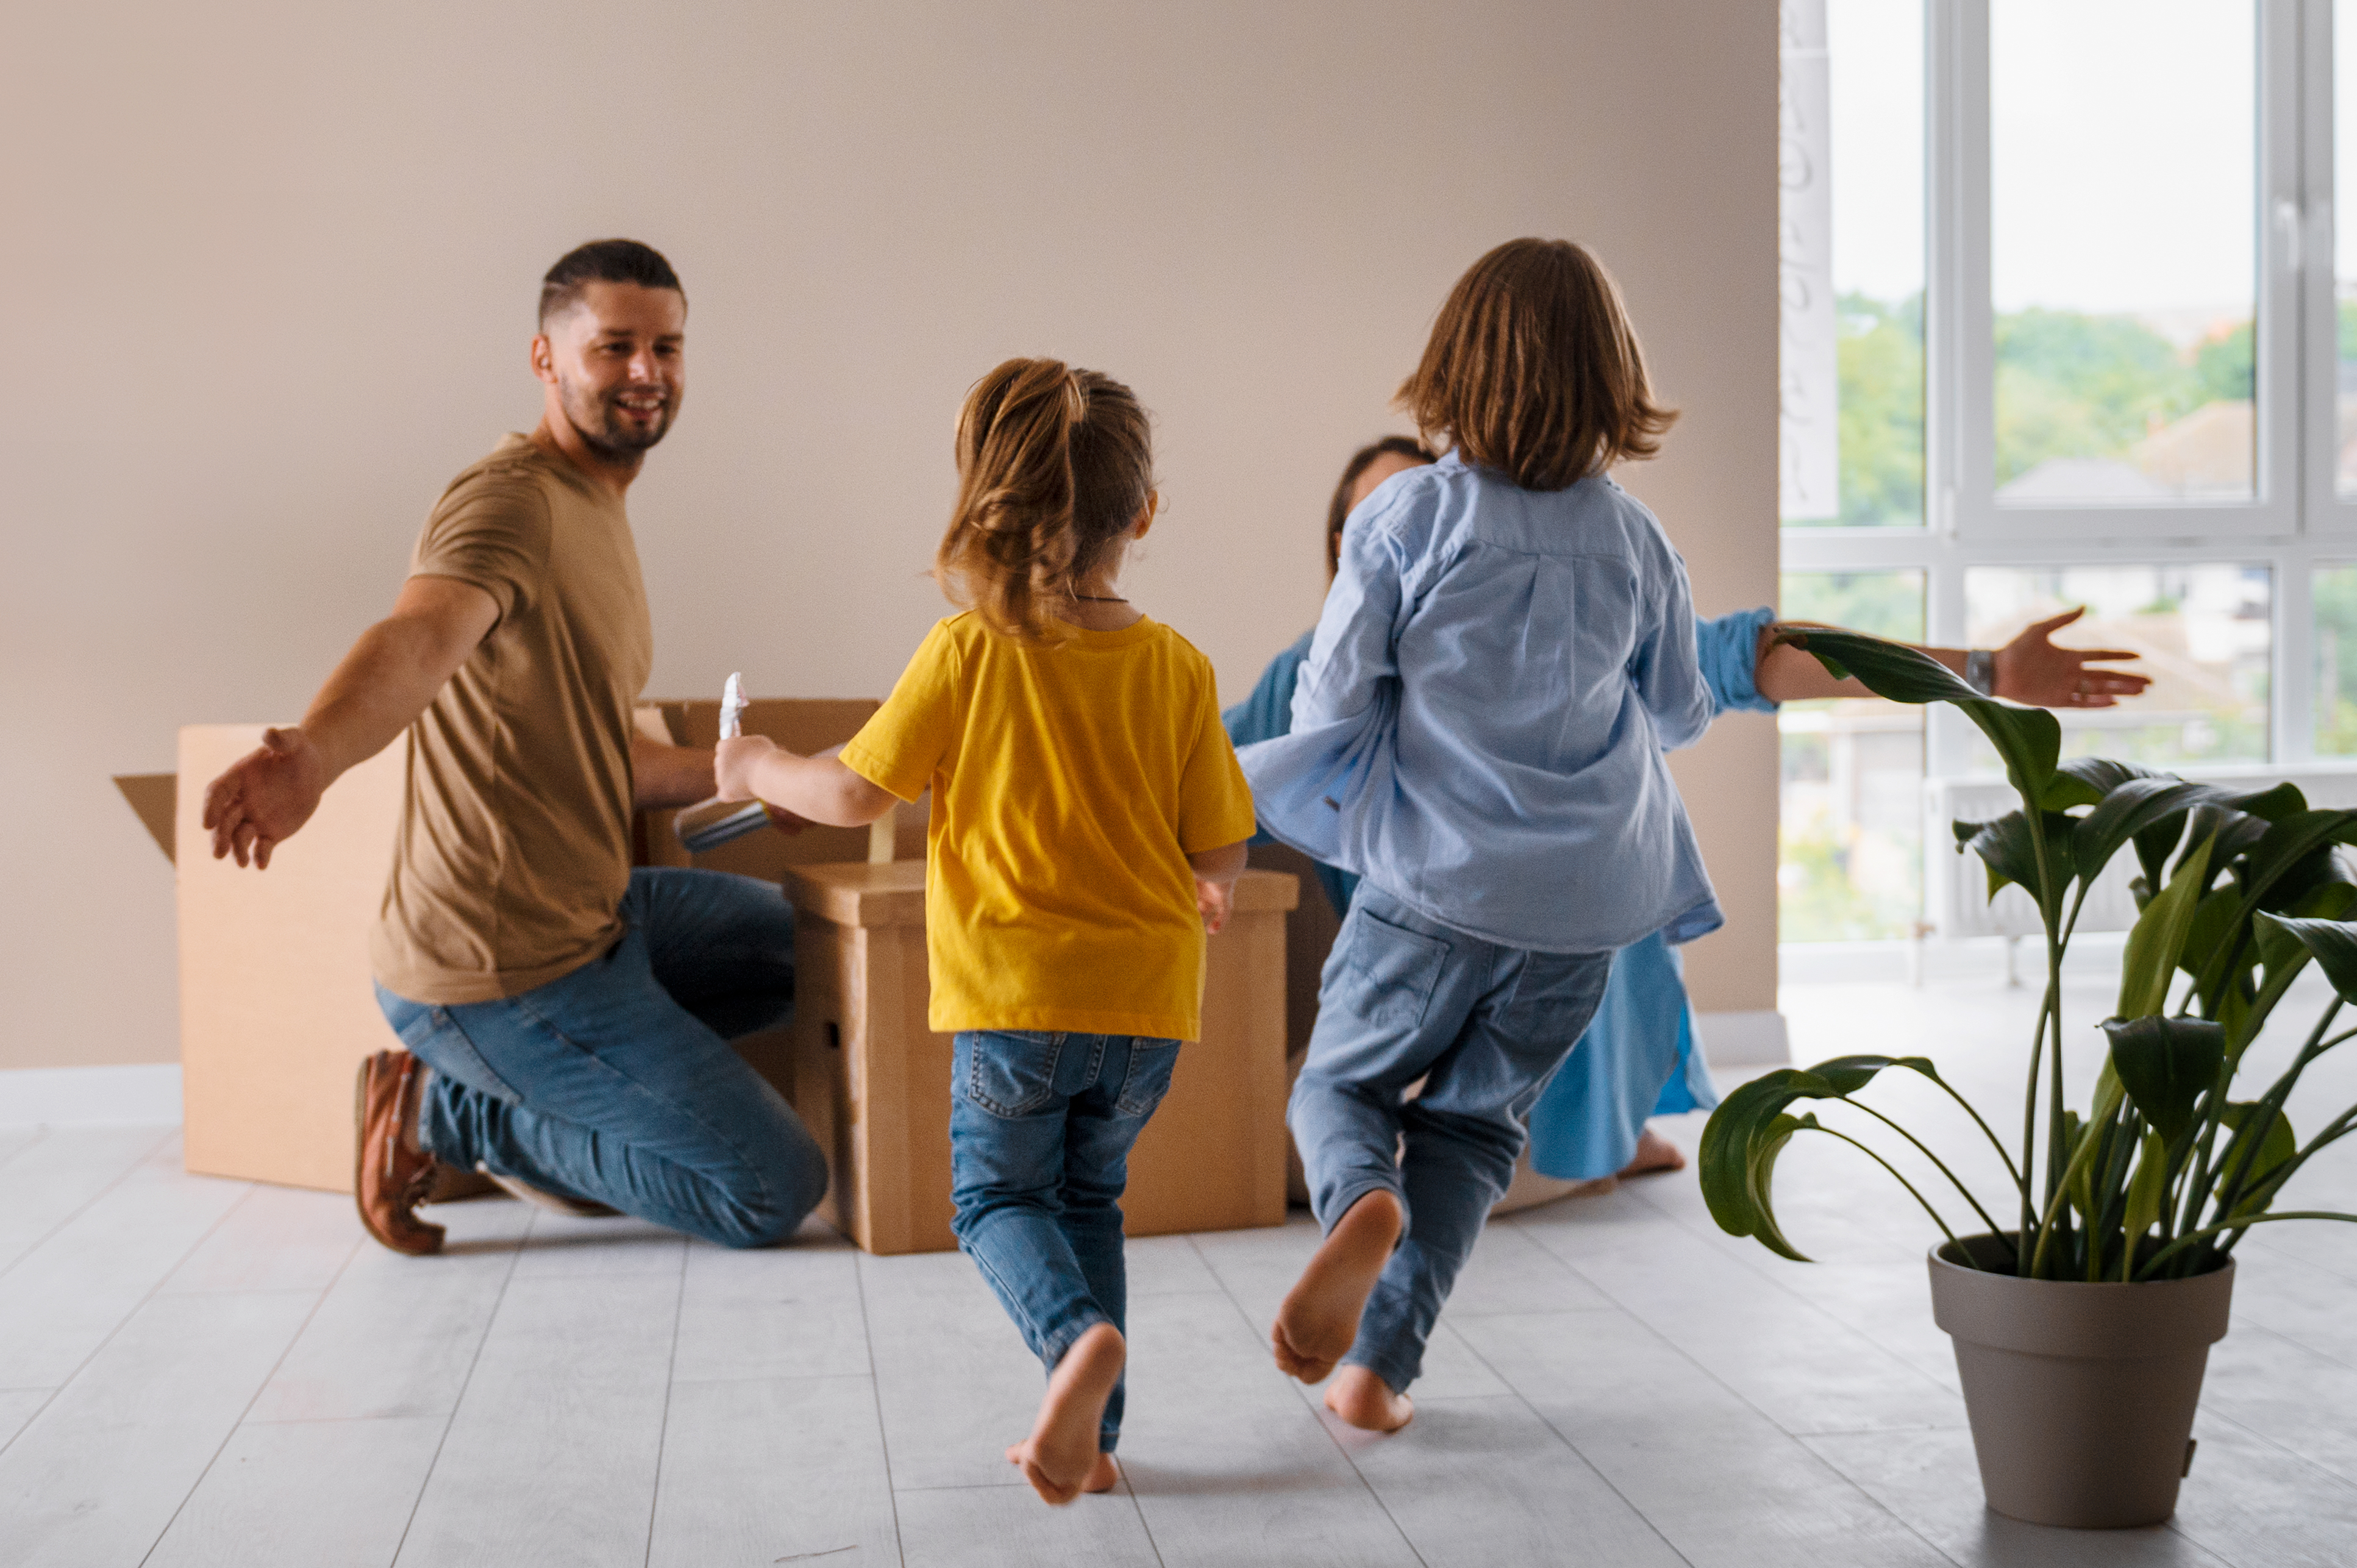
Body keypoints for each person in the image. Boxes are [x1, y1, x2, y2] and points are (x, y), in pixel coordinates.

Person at [1230, 441, 2150, 1196]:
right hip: (1433, 1007)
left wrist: (1984, 673)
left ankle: (1596, 1135)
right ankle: (1602, 1145)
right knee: (1306, 1134)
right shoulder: (1307, 682)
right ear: (1347, 555)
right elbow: (1191, 766)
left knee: (1362, 1152)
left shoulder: (1578, 616)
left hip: (1547, 1032)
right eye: (1379, 526)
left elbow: (1761, 657)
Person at [199, 240, 830, 1256]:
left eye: (665, 348)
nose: (645, 373)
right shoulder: (511, 502)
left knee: (824, 948)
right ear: (546, 358)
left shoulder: (597, 507)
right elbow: (418, 639)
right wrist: (315, 752)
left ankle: (588, 1097)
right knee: (772, 1186)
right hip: (495, 972)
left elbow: (594, 747)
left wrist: (742, 773)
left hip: (591, 913)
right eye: (613, 347)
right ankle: (452, 1116)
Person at [709, 358, 1257, 1506]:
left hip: (1015, 1004)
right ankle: (1095, 1437)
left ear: (987, 504)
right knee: (1088, 1200)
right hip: (1148, 1007)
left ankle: (1071, 1347)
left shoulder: (964, 652)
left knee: (997, 1202)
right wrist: (1207, 891)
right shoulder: (1178, 668)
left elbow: (857, 794)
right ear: (1143, 513)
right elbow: (1220, 848)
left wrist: (754, 762)